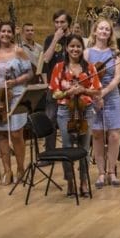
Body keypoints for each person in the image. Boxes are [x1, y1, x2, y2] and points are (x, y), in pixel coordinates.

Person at [0, 20, 33, 185]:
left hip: (16, 97)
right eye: (3, 31)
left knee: (16, 133)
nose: (5, 34)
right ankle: (7, 170)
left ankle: (20, 168)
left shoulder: (19, 52)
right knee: (1, 134)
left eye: (9, 31)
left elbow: (30, 73)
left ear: (13, 34)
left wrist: (15, 81)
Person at [49, 34, 101, 197]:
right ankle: (70, 181)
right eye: (72, 46)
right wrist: (68, 92)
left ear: (82, 48)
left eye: (78, 46)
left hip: (86, 110)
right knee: (67, 146)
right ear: (66, 48)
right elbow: (55, 93)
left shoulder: (90, 68)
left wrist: (83, 90)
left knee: (84, 147)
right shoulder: (59, 67)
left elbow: (96, 91)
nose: (75, 49)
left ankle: (84, 181)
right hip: (65, 111)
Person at [86, 19, 120, 188]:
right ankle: (101, 173)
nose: (103, 31)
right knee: (97, 134)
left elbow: (117, 78)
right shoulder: (87, 53)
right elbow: (84, 76)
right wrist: (95, 94)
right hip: (93, 96)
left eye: (107, 29)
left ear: (110, 33)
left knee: (114, 135)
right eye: (101, 28)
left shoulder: (115, 53)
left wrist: (103, 92)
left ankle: (112, 172)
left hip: (111, 96)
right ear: (95, 31)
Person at [37, 10, 72, 154]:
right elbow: (46, 59)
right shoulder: (50, 39)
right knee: (50, 118)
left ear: (68, 23)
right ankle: (50, 153)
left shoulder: (73, 39)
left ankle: (69, 151)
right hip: (54, 86)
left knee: (69, 119)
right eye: (56, 22)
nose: (59, 25)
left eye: (62, 22)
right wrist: (55, 39)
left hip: (70, 86)